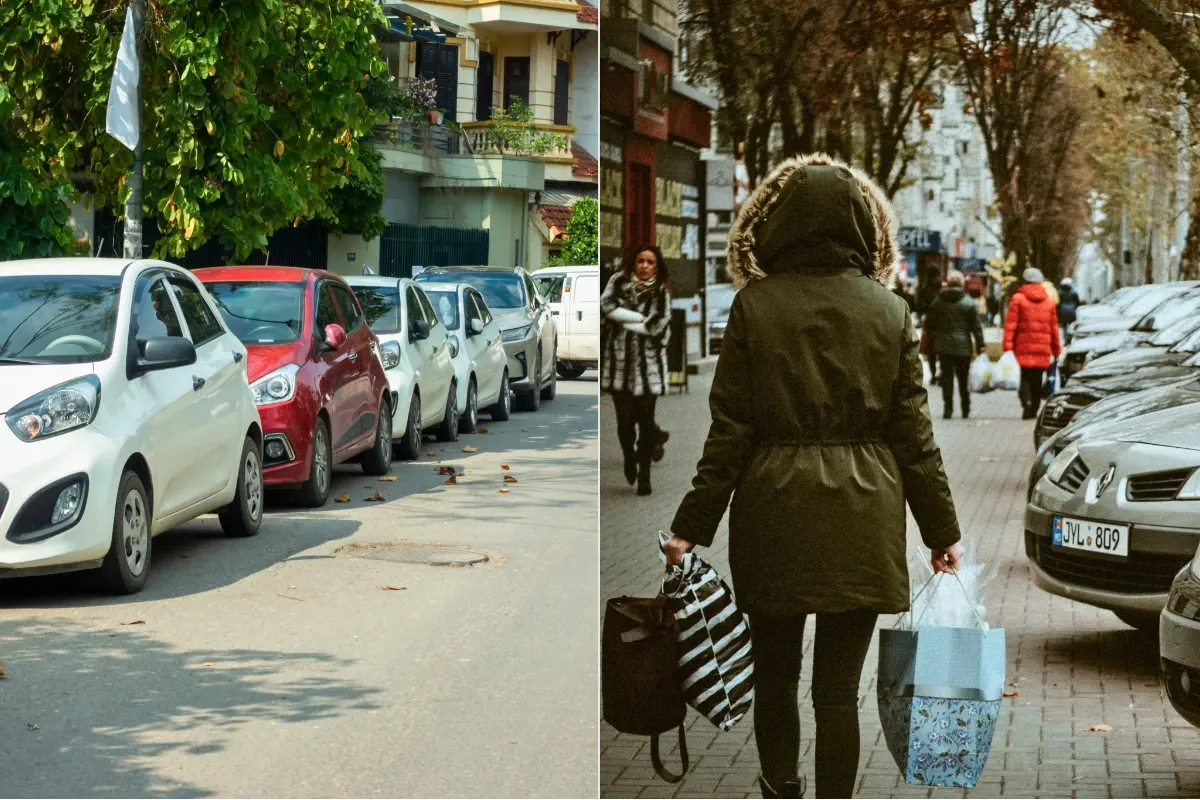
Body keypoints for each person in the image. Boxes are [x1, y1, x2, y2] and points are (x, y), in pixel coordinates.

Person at [660, 155, 965, 800]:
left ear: (780, 224)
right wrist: (941, 531)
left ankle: (780, 790)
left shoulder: (753, 307)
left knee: (774, 677)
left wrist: (692, 526)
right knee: (836, 693)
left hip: (774, 510)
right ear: (862, 226)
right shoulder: (890, 311)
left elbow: (730, 432)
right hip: (863, 515)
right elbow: (914, 436)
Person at [600, 245, 671, 496]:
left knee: (647, 423)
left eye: (650, 262)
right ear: (633, 263)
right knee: (624, 424)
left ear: (657, 266)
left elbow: (657, 326)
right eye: (640, 260)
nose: (644, 265)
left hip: (648, 368)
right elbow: (606, 307)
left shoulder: (661, 292)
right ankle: (629, 457)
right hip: (620, 366)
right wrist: (640, 318)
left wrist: (626, 320)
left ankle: (644, 476)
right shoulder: (618, 282)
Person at [924, 270, 985, 419]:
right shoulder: (969, 303)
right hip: (963, 346)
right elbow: (976, 327)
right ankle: (965, 408)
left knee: (947, 378)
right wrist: (980, 345)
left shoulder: (938, 301)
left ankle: (948, 409)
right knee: (963, 378)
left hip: (943, 346)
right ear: (962, 284)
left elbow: (929, 323)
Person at [1003, 267, 1061, 420]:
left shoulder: (1017, 299)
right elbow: (1054, 328)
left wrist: (1007, 346)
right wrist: (1057, 349)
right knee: (1037, 380)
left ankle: (1026, 405)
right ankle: (1034, 408)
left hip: (1023, 348)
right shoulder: (1049, 303)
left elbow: (1011, 325)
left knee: (1025, 378)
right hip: (1043, 348)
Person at [1058, 277, 1081, 345]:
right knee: (1071, 326)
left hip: (1063, 311)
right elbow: (1078, 302)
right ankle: (1069, 338)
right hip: (1071, 310)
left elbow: (1058, 302)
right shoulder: (1073, 292)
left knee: (1064, 326)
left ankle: (1065, 339)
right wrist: (1074, 307)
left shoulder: (1060, 292)